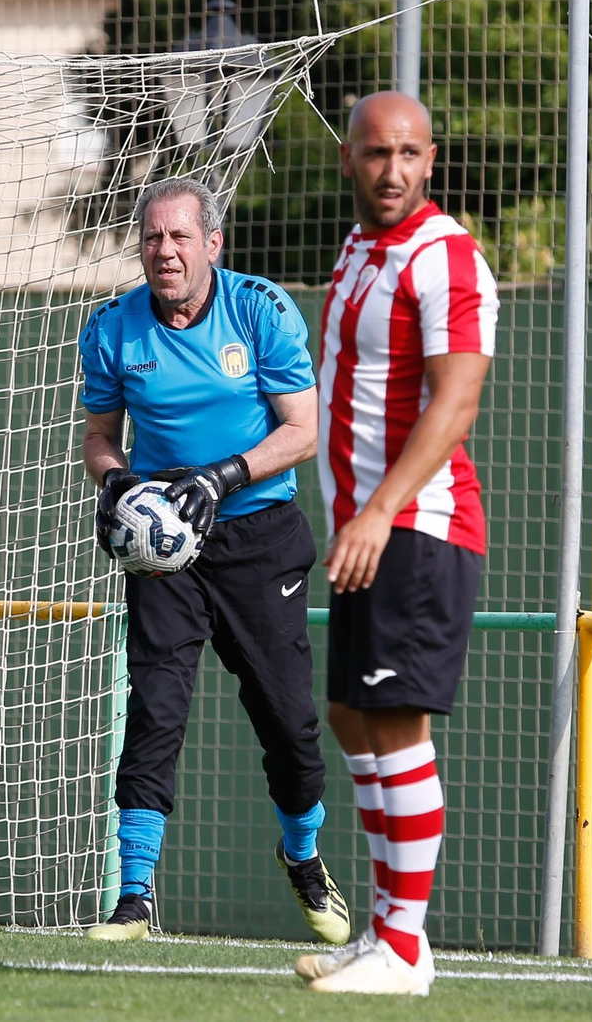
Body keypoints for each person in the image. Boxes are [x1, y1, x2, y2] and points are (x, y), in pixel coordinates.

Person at [79, 177, 349, 945]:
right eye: (152, 238)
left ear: (212, 245)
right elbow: (100, 438)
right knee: (155, 710)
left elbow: (303, 430)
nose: (164, 251)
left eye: (179, 237)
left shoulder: (260, 310)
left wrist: (221, 477)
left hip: (259, 539)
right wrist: (118, 483)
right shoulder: (112, 328)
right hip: (165, 552)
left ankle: (302, 855)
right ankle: (134, 897)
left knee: (289, 725)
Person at [294, 91, 499, 996]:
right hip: (367, 532)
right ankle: (387, 933)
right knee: (351, 715)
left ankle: (403, 948)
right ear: (349, 159)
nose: (393, 170)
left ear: (432, 160)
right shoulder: (356, 250)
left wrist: (379, 511)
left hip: (417, 525)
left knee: (396, 724)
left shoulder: (445, 255)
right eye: (378, 153)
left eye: (410, 153)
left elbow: (457, 404)